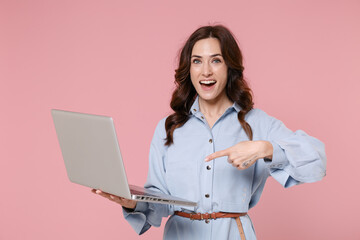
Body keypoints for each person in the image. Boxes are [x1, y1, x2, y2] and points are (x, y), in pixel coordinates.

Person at [92, 25, 327, 240]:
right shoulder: (169, 127)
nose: (206, 71)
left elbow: (316, 160)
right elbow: (159, 201)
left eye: (216, 60)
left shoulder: (257, 123)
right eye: (197, 61)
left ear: (229, 67)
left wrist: (264, 149)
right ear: (189, 68)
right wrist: (131, 203)